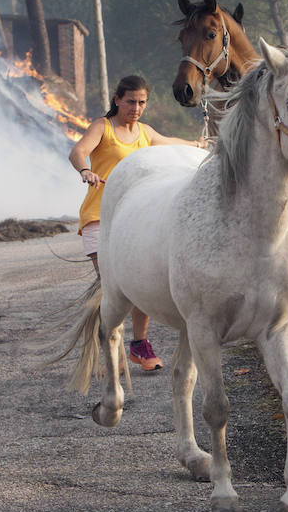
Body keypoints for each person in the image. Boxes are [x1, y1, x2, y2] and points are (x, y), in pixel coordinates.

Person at [69, 74, 205, 371]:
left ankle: (139, 345)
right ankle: (112, 343)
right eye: (131, 101)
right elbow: (78, 151)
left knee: (136, 281)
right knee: (113, 285)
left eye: (142, 102)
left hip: (132, 220)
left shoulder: (145, 133)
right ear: (117, 100)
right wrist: (85, 171)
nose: (136, 107)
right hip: (100, 217)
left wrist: (198, 145)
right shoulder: (103, 128)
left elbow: (170, 143)